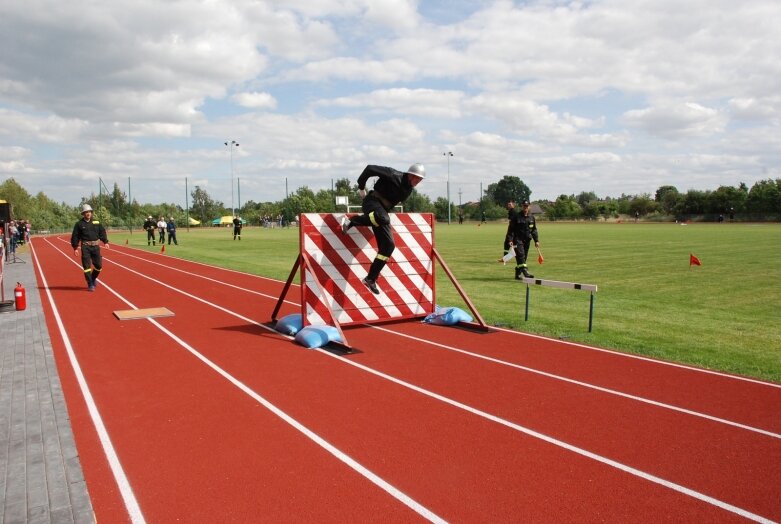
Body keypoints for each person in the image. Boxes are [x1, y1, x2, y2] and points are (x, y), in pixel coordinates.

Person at [341, 163, 425, 294]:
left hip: (381, 213)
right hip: (371, 202)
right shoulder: (394, 174)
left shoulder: (408, 189)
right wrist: (361, 188)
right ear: (410, 174)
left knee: (388, 246)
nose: (418, 182)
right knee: (384, 218)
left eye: (420, 180)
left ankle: (370, 279)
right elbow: (369, 168)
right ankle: (351, 221)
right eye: (417, 178)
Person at [70, 204, 109, 291]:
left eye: (89, 212)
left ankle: (93, 278)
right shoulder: (79, 224)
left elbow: (102, 232)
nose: (88, 213)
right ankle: (90, 284)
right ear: (83, 213)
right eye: (86, 212)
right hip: (85, 247)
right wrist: (75, 248)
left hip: (96, 246)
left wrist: (105, 242)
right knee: (87, 267)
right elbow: (75, 236)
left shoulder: (97, 222)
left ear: (91, 213)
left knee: (98, 266)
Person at [507, 200, 540, 280]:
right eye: (524, 206)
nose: (525, 207)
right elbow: (511, 229)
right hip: (517, 239)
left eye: (527, 206)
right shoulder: (516, 217)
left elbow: (534, 230)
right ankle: (525, 271)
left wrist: (536, 241)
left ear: (529, 206)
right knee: (521, 255)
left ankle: (517, 273)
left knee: (523, 258)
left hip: (527, 240)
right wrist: (510, 240)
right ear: (522, 206)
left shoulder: (531, 217)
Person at [502, 200, 518, 265]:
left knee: (507, 244)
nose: (509, 205)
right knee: (512, 245)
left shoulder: (513, 211)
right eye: (508, 204)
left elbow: (511, 220)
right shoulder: (511, 211)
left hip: (512, 230)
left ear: (513, 205)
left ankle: (505, 259)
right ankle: (505, 258)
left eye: (510, 204)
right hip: (512, 230)